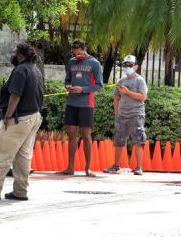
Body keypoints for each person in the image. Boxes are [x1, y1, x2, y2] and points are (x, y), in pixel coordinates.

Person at [0, 43, 43, 201]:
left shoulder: (20, 70)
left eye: (16, 53)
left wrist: (7, 116)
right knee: (23, 157)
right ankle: (20, 191)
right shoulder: (36, 70)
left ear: (20, 55)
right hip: (34, 117)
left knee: (2, 155)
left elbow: (15, 95)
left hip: (18, 119)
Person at [57, 39, 103, 177]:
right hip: (71, 103)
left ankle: (88, 168)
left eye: (79, 53)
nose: (77, 56)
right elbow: (67, 80)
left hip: (86, 104)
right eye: (75, 53)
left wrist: (82, 89)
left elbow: (99, 85)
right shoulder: (71, 62)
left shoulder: (94, 63)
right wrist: (68, 86)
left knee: (86, 135)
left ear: (85, 49)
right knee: (71, 135)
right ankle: (70, 167)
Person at [104, 55, 148, 176]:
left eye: (129, 65)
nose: (127, 67)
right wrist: (117, 113)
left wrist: (128, 92)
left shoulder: (140, 80)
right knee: (119, 141)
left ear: (136, 66)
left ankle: (139, 167)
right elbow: (116, 98)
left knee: (138, 140)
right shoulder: (121, 81)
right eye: (125, 65)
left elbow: (143, 97)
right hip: (122, 115)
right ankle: (116, 166)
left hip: (136, 114)